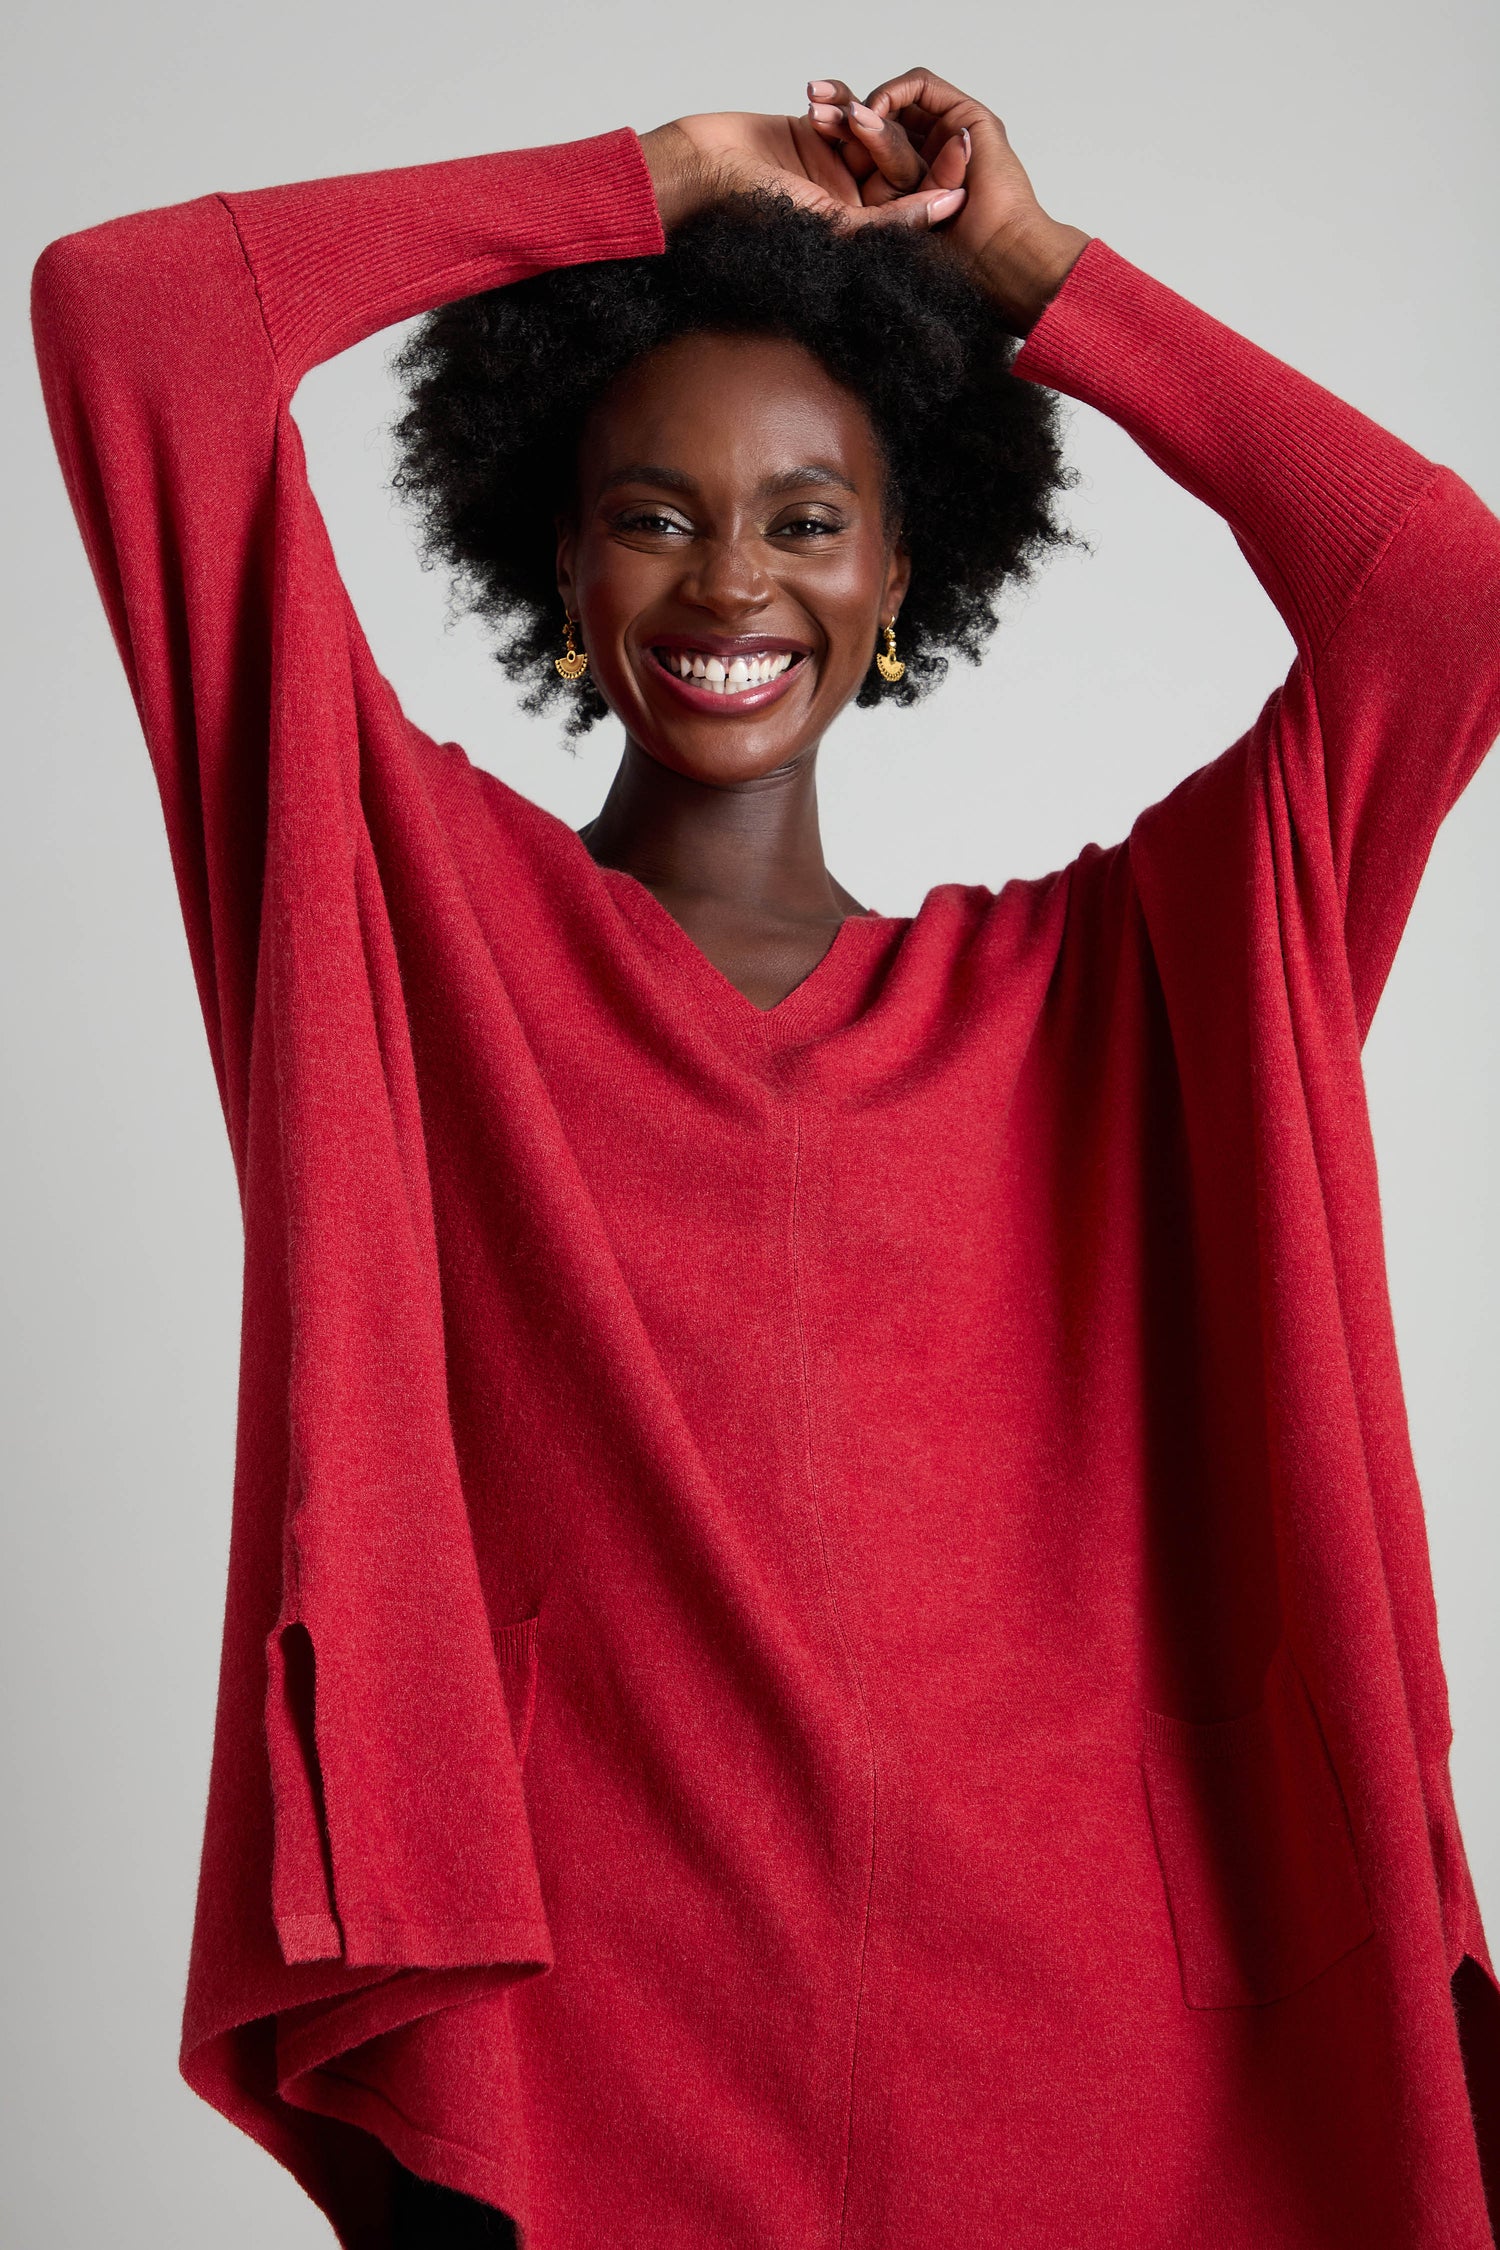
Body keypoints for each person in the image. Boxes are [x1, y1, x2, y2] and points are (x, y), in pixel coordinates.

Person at [31, 67, 1500, 2250]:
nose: (733, 578)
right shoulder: (394, 912)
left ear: (905, 561)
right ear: (558, 544)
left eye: (810, 516)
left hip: (1096, 2068)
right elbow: (127, 317)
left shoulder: (1118, 992)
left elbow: (1439, 598)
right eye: (656, 510)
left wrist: (1033, 279)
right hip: (586, 2054)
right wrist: (633, 192)